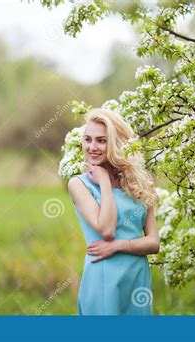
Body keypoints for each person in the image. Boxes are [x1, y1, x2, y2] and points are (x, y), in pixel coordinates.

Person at [68, 108, 160, 315]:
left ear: (116, 143)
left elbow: (153, 243)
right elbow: (106, 229)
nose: (92, 147)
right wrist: (104, 182)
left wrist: (118, 246)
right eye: (88, 139)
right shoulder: (79, 184)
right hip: (103, 277)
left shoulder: (140, 184)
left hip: (137, 278)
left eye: (101, 140)